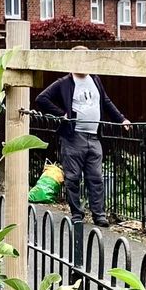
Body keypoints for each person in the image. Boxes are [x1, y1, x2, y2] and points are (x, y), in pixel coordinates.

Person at [33, 70, 131, 226]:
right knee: (72, 178)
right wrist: (61, 114)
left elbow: (105, 101)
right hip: (73, 137)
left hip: (94, 136)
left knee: (96, 177)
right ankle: (77, 213)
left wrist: (121, 119)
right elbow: (42, 98)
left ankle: (99, 215)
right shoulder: (64, 82)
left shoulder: (95, 79)